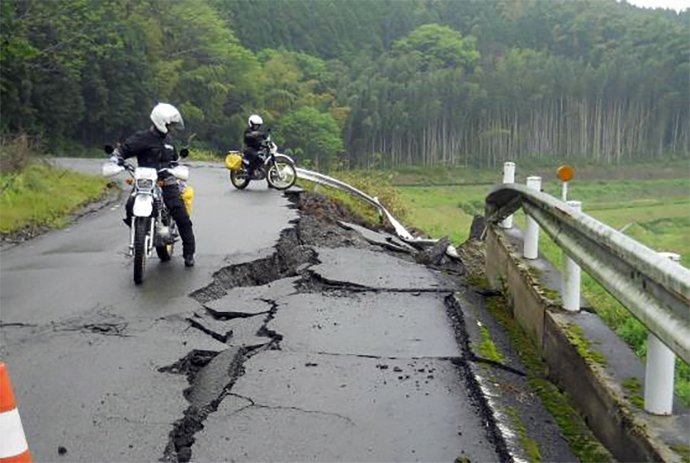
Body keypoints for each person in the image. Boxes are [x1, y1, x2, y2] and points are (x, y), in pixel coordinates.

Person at [110, 103, 196, 267]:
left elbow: (175, 160)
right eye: (170, 124)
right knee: (130, 206)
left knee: (181, 215)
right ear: (161, 122)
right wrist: (116, 158)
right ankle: (141, 232)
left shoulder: (169, 141)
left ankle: (189, 253)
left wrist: (176, 167)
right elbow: (123, 150)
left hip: (166, 181)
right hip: (144, 182)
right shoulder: (142, 138)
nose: (171, 128)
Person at [243, 114, 268, 178]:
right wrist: (257, 134)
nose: (256, 126)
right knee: (256, 156)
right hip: (249, 149)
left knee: (266, 156)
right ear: (251, 124)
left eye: (258, 125)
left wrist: (266, 139)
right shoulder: (248, 130)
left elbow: (264, 137)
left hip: (257, 149)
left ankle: (269, 177)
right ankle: (250, 172)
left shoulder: (259, 132)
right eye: (255, 125)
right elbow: (249, 135)